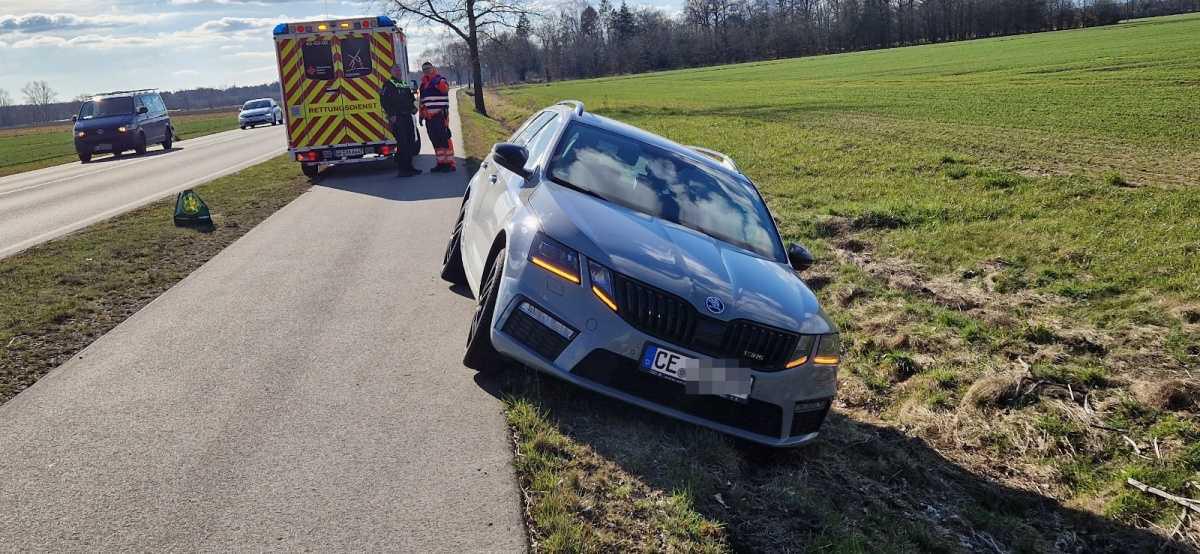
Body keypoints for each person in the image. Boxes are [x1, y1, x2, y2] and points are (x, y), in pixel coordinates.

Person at [379, 64, 421, 177]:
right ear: (391, 72)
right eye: (395, 70)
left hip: (407, 116)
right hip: (397, 118)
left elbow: (410, 99)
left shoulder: (403, 84)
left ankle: (410, 168)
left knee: (411, 141)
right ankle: (403, 170)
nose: (398, 72)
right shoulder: (388, 85)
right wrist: (391, 115)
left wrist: (413, 108)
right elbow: (384, 101)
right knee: (403, 144)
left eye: (399, 70)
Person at [419, 61, 456, 173]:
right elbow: (422, 102)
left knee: (444, 139)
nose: (427, 71)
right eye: (424, 70)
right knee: (435, 141)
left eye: (428, 69)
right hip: (429, 118)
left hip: (440, 116)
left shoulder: (440, 79)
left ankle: (449, 164)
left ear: (433, 68)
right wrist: (421, 116)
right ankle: (441, 163)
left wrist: (436, 82)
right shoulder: (423, 84)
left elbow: (445, 89)